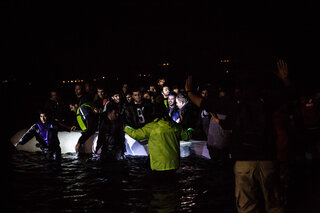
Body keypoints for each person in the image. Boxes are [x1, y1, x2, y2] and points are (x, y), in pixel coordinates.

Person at [185, 59, 291, 213]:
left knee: (246, 206)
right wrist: (284, 79)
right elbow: (287, 95)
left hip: (243, 161)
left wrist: (189, 92)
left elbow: (206, 103)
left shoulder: (235, 104)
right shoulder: (267, 101)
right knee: (275, 205)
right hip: (267, 159)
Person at [124, 102, 194, 172]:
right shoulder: (175, 126)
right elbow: (186, 136)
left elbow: (135, 134)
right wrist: (191, 129)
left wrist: (126, 127)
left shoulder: (151, 127)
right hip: (173, 164)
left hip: (158, 166)